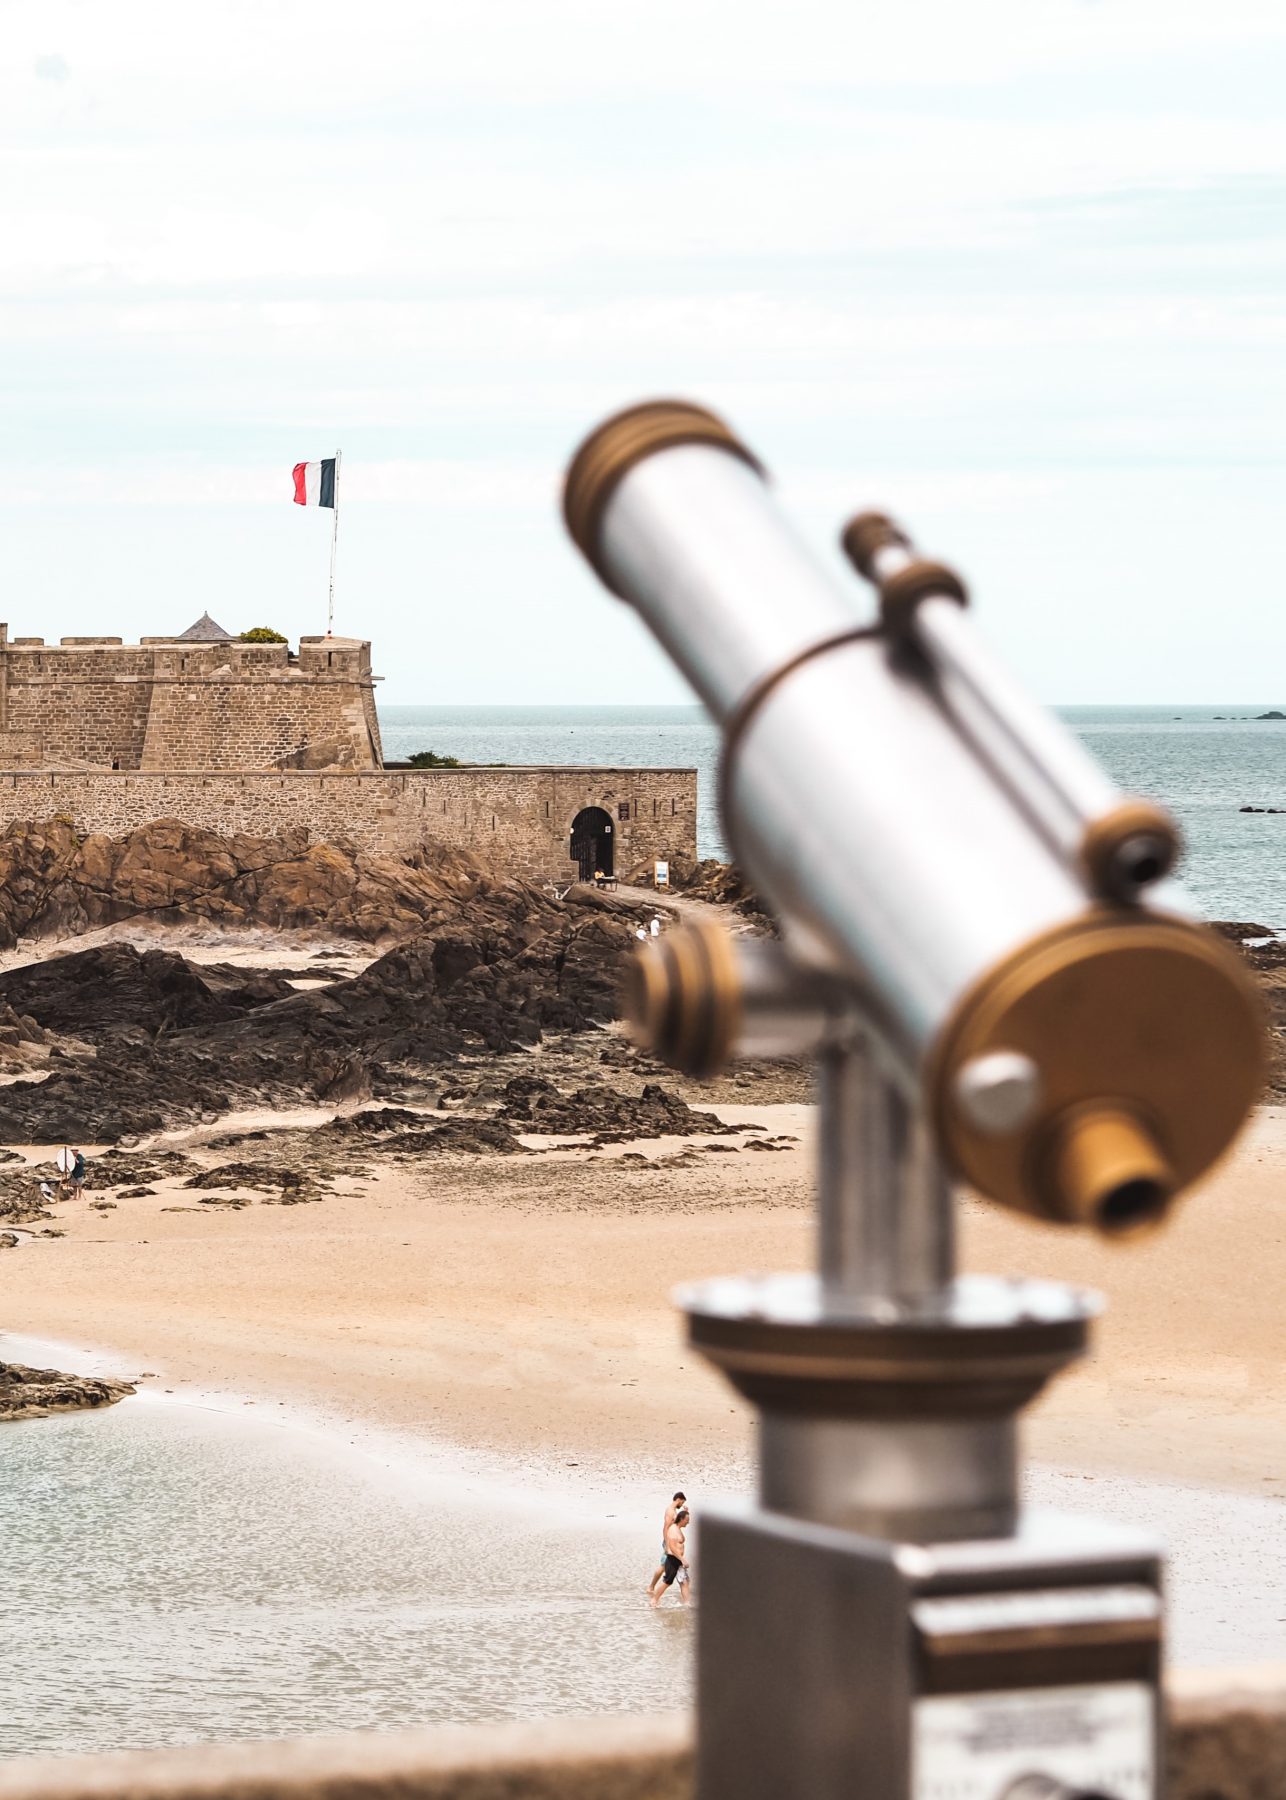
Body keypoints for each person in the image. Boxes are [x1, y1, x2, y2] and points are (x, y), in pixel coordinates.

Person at [647, 1491, 688, 1596]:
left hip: (671, 1541)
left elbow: (679, 1521)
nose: (682, 1504)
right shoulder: (670, 1511)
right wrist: (667, 1543)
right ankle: (651, 1587)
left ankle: (652, 1588)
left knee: (664, 1566)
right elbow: (666, 1527)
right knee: (663, 1566)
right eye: (682, 1502)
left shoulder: (674, 1510)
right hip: (669, 1542)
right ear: (678, 1499)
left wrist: (685, 1512)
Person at [650, 1508, 690, 1608]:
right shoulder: (673, 1530)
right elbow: (672, 1547)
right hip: (673, 1560)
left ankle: (687, 1603)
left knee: (684, 1581)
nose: (688, 1522)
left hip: (678, 1560)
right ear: (681, 1519)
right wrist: (682, 1559)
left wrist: (685, 1510)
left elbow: (675, 1517)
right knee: (667, 1581)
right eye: (687, 1520)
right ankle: (654, 1600)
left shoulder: (677, 1528)